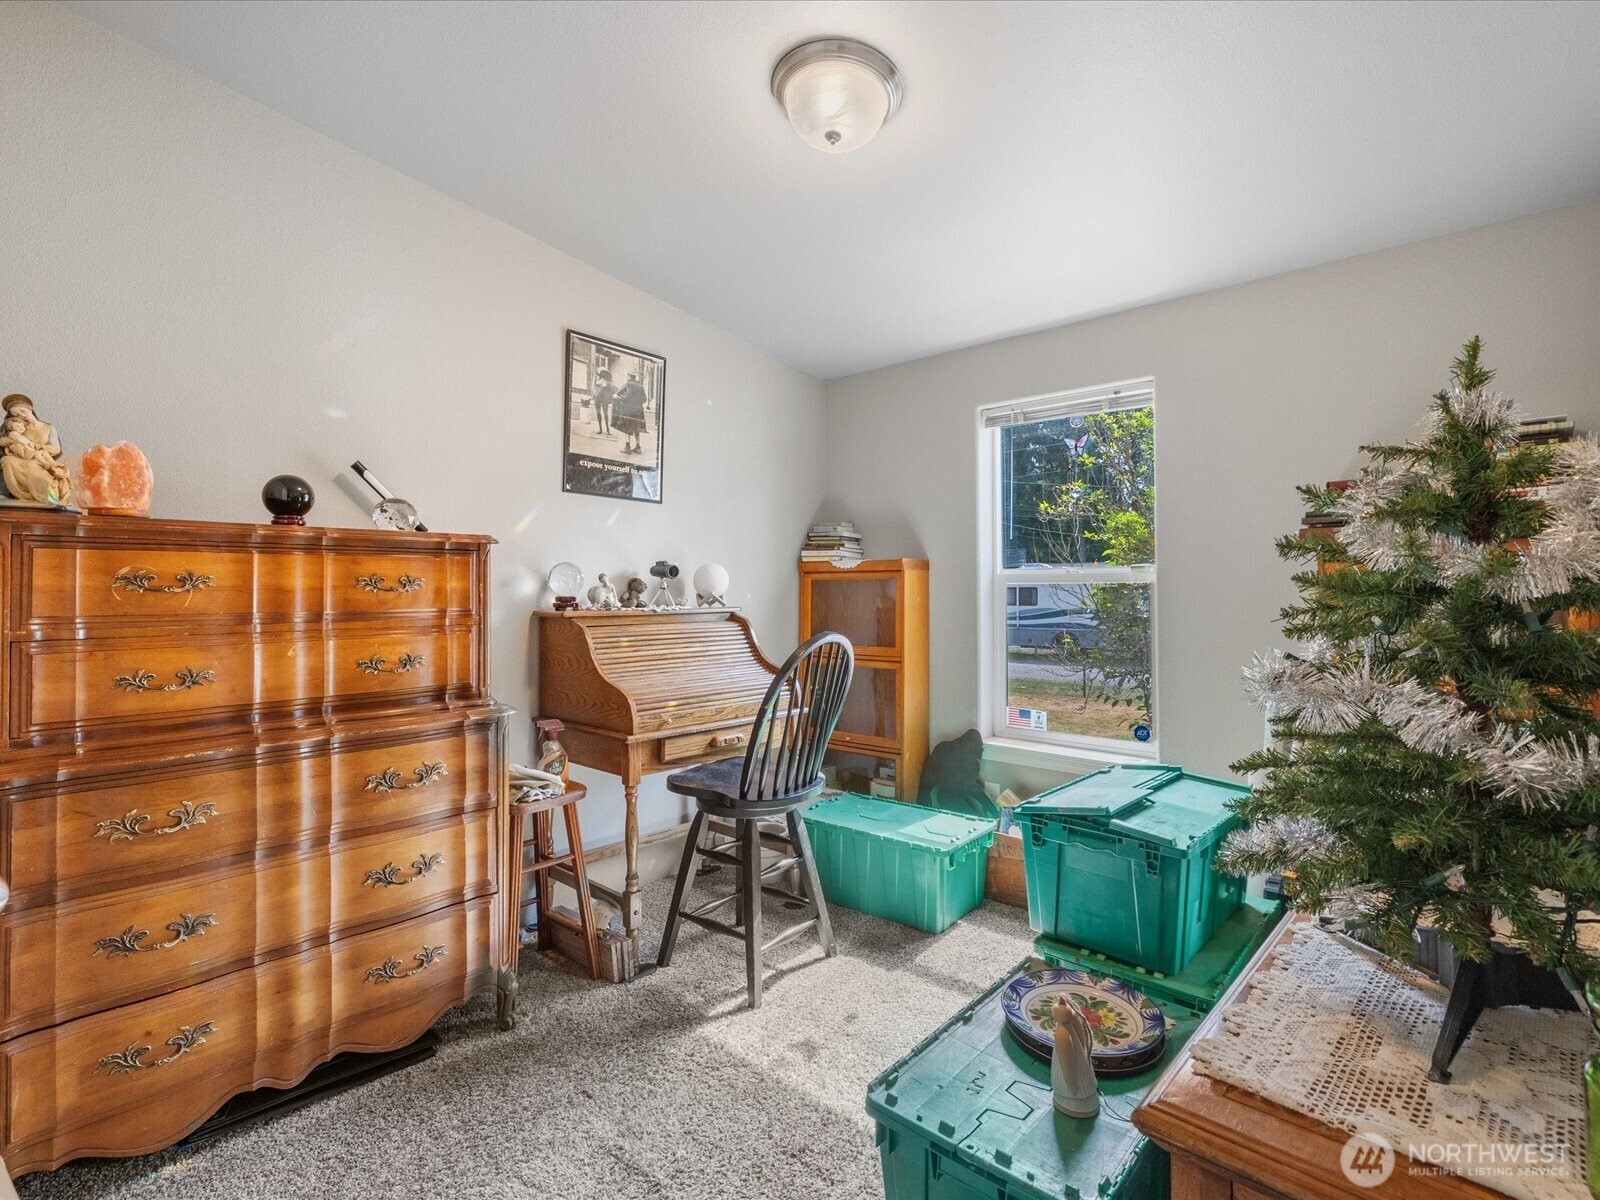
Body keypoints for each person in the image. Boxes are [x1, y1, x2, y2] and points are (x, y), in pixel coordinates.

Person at [611, 370, 649, 456]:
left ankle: (627, 447)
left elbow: (627, 396)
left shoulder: (628, 384)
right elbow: (644, 399)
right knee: (636, 428)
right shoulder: (641, 386)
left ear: (629, 376)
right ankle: (638, 447)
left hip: (628, 410)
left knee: (627, 428)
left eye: (627, 376)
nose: (626, 377)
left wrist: (618, 397)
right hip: (638, 411)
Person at [590, 368, 614, 436]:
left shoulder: (607, 381)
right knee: (598, 413)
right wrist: (593, 395)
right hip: (597, 398)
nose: (602, 374)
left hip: (604, 399)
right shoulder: (598, 380)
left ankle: (607, 429)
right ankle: (600, 429)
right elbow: (595, 389)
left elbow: (610, 388)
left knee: (605, 413)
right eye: (602, 373)